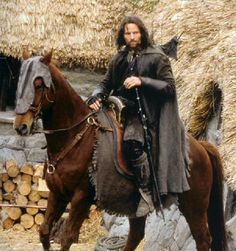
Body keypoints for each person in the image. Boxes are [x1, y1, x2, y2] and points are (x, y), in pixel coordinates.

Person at [87, 15, 190, 217]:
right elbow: (105, 83)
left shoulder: (156, 56)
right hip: (118, 112)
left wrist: (141, 81)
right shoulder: (119, 58)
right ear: (122, 35)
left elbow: (169, 87)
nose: (132, 37)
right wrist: (96, 95)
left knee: (132, 142)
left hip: (147, 115)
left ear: (142, 33)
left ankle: (146, 192)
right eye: (128, 33)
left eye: (135, 32)